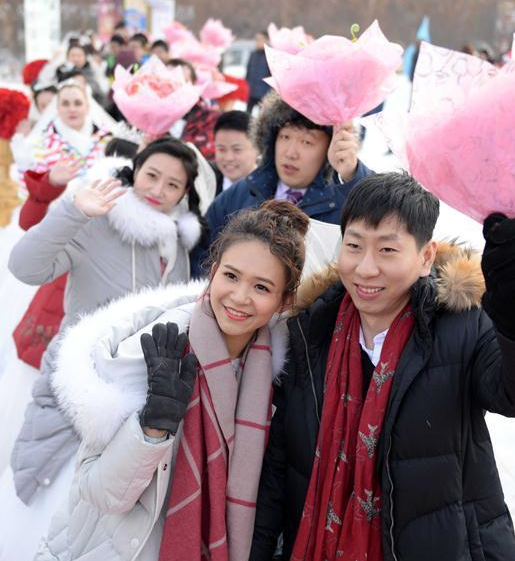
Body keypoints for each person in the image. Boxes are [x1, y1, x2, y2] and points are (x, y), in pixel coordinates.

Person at [250, 171, 515, 561]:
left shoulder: (462, 326)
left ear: (426, 257)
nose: (365, 268)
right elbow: (278, 471)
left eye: (387, 250)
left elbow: (509, 394)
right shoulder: (310, 334)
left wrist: (510, 316)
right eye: (354, 246)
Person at [35, 199, 308, 561]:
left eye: (261, 287)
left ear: (284, 300)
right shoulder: (161, 345)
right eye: (231, 276)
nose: (240, 297)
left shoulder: (270, 378)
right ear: (213, 272)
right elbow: (99, 492)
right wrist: (151, 429)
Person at [0, 138, 206, 561]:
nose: (158, 190)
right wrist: (73, 211)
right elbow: (24, 266)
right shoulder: (97, 221)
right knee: (51, 491)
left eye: (173, 184)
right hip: (75, 386)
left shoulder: (176, 243)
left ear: (184, 193)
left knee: (98, 510)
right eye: (151, 175)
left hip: (133, 401)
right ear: (134, 172)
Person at [193, 90, 371, 276]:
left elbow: (380, 213)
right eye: (285, 137)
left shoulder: (344, 203)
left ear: (330, 148)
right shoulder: (245, 191)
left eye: (307, 142)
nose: (290, 153)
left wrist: (353, 173)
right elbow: (202, 254)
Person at [167, 57, 222, 161]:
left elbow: (206, 156)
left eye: (181, 80)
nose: (174, 86)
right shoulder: (148, 114)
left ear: (193, 84)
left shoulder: (208, 118)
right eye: (168, 81)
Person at [213, 110, 258, 194]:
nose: (228, 158)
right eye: (221, 149)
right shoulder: (205, 184)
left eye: (237, 149)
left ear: (257, 148)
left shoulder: (270, 190)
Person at [246, 31, 272, 114]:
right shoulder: (253, 54)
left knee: (261, 116)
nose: (258, 42)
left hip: (264, 93)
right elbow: (248, 73)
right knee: (247, 115)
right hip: (251, 92)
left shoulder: (270, 55)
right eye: (256, 39)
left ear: (267, 40)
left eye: (260, 39)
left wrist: (269, 93)